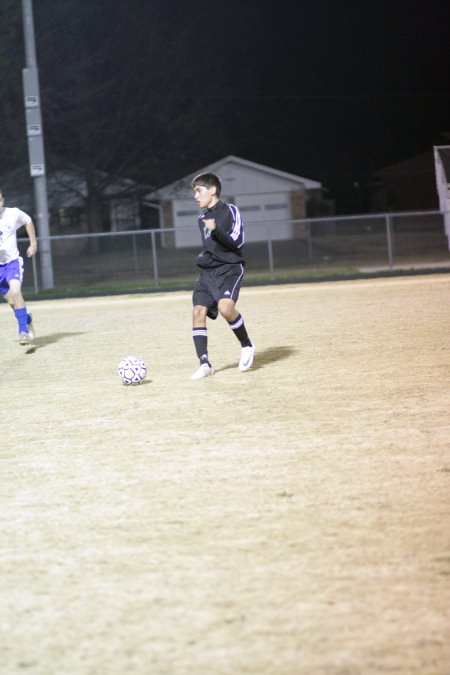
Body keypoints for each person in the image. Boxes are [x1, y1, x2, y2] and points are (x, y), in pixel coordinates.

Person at [190, 172, 255, 379]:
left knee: (225, 308)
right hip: (209, 272)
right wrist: (203, 258)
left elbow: (237, 243)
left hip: (230, 268)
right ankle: (204, 363)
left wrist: (217, 230)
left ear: (213, 190)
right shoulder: (202, 219)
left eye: (199, 191)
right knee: (198, 312)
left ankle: (246, 345)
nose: (196, 196)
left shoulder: (230, 211)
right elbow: (212, 249)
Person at [0, 190, 37, 345]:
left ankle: (23, 331)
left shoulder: (13, 213)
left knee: (16, 292)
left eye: (0, 200)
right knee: (11, 301)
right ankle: (27, 318)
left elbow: (28, 220)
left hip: (12, 262)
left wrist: (33, 243)